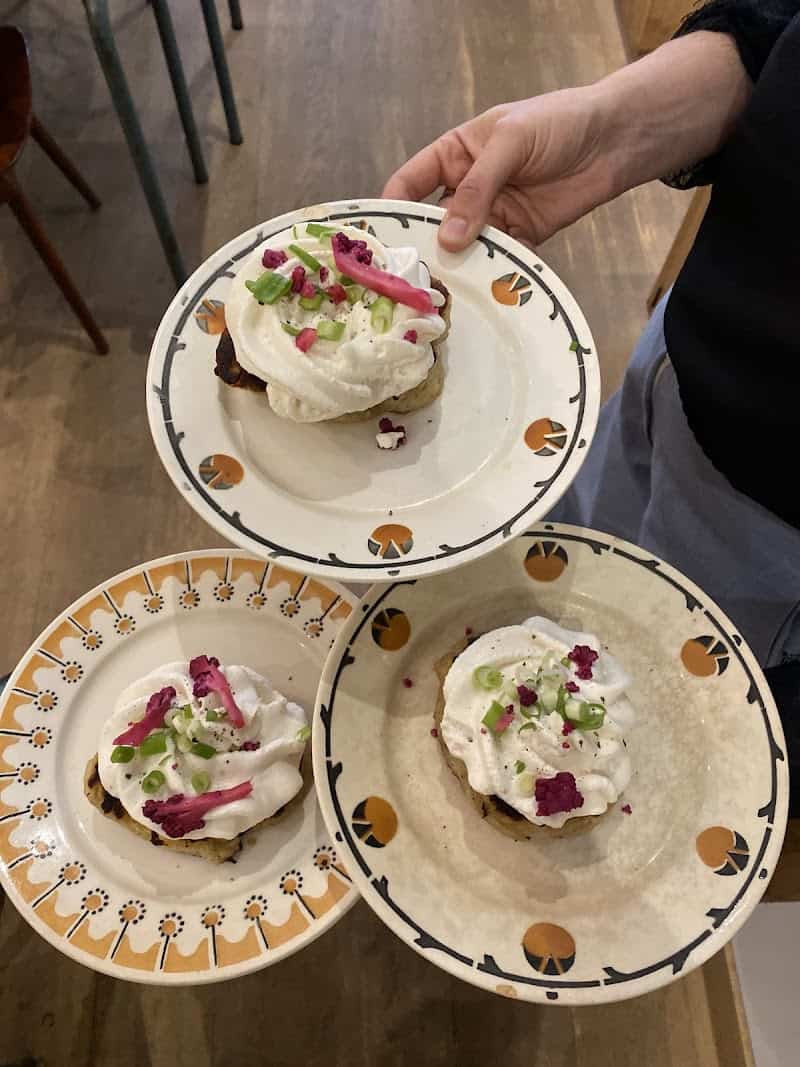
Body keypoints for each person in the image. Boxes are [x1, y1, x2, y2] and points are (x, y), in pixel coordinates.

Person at [384, 0, 800, 670]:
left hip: (776, 520)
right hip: (683, 354)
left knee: (649, 687)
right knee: (555, 577)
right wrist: (619, 122)